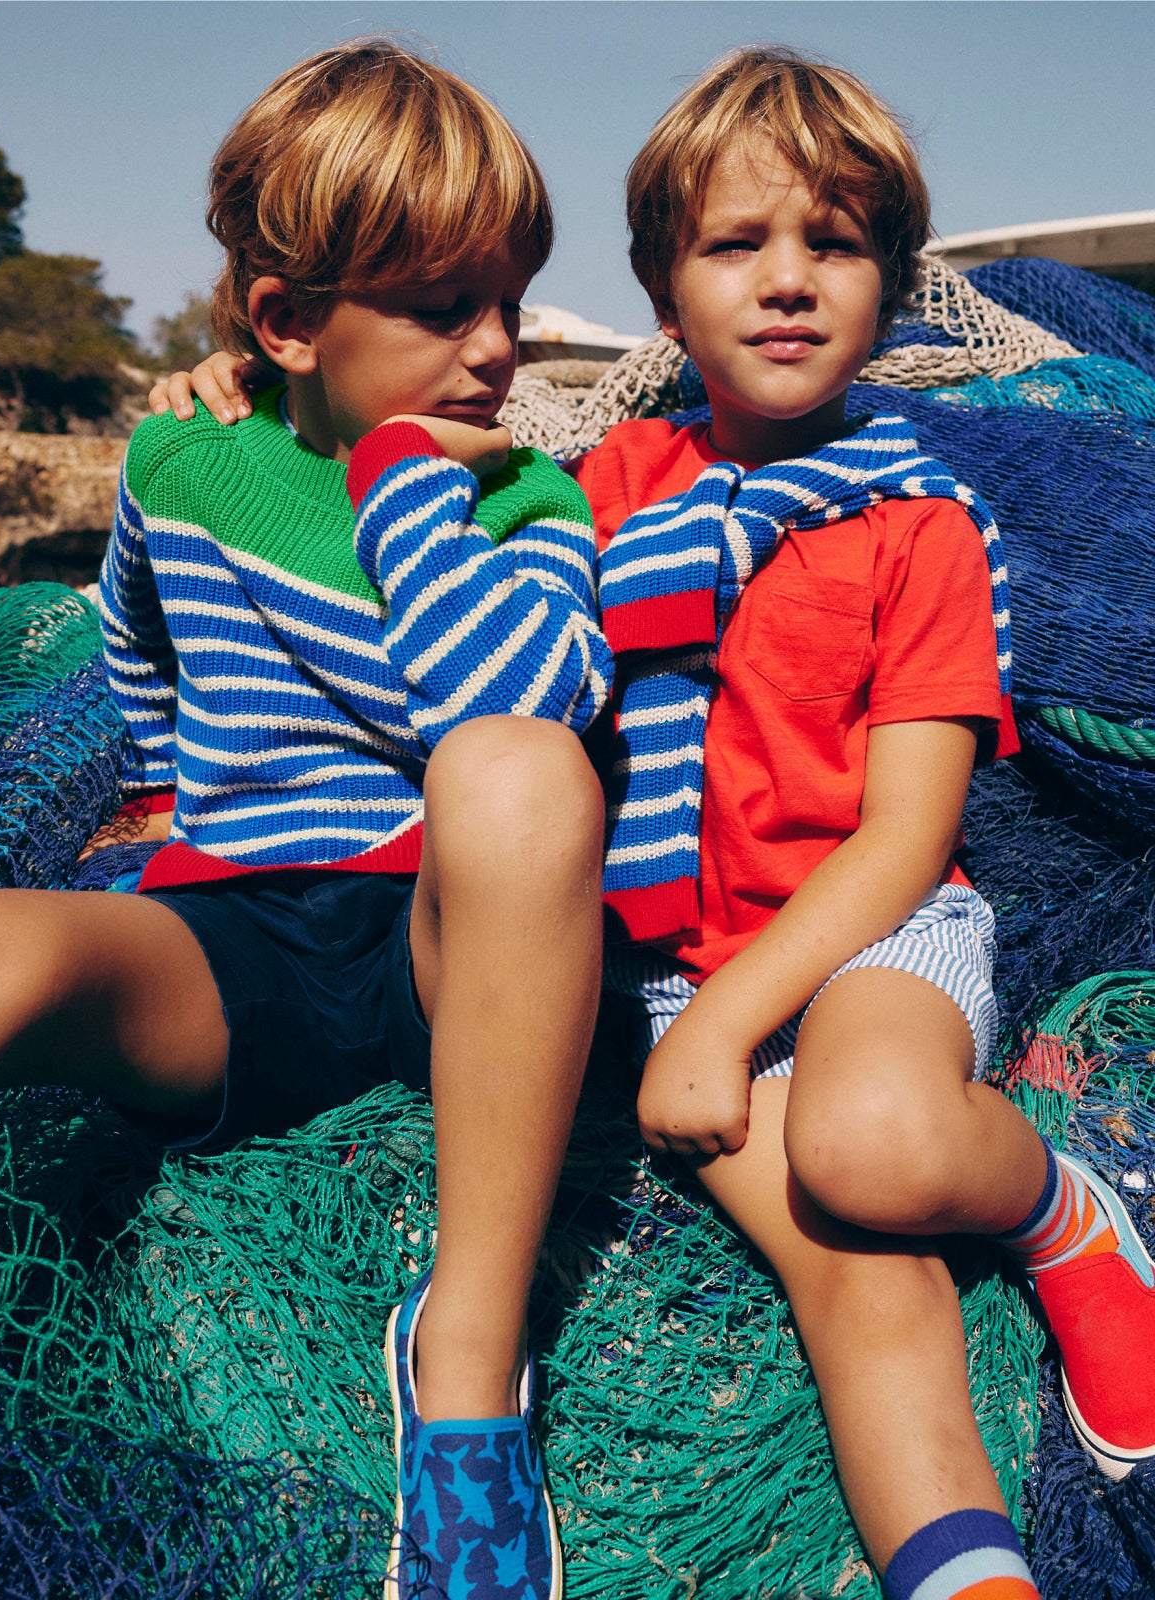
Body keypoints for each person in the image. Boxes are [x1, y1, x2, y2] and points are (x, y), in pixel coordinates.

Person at [153, 43, 1155, 1600]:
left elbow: (904, 841)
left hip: (869, 937)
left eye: (835, 245)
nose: (788, 282)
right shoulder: (602, 484)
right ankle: (970, 1572)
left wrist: (730, 1021)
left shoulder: (922, 527)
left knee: (872, 1146)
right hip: (668, 970)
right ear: (658, 290)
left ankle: (1065, 1219)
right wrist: (238, 395)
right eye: (736, 246)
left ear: (894, 283)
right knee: (853, 1265)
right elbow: (383, 493)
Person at [0, 41, 614, 1600]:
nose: (497, 351)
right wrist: (171, 794)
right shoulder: (180, 458)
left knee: (519, 772)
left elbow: (514, 700)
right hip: (240, 943)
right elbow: (136, 653)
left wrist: (406, 466)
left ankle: (467, 1368)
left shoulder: (534, 500)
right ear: (286, 321)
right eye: (439, 310)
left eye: (511, 302)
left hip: (454, 945)